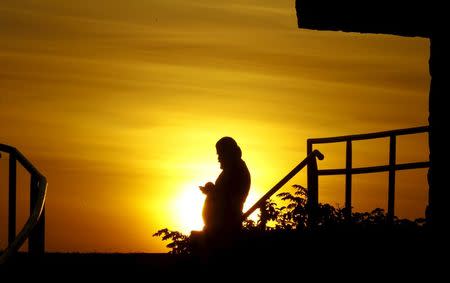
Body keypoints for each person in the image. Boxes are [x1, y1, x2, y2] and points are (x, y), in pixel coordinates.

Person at [199, 137, 251, 254]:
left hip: (224, 230)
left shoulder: (237, 170)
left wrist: (213, 191)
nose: (218, 159)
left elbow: (230, 199)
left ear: (228, 153)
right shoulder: (231, 169)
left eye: (220, 154)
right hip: (217, 228)